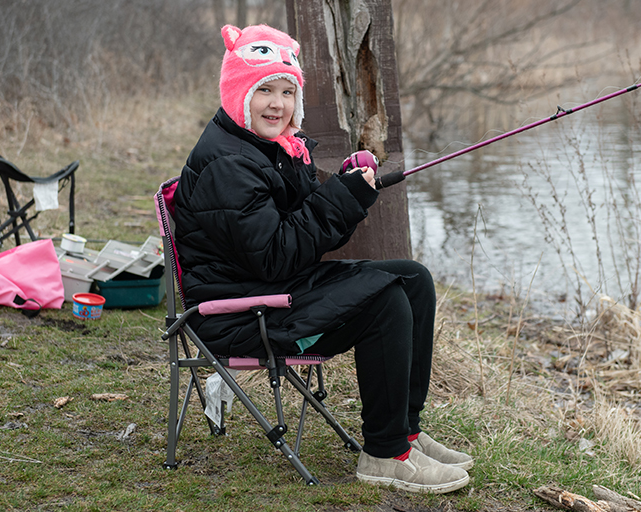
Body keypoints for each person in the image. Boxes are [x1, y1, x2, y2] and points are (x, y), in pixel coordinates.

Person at [172, 24, 474, 494]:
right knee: (385, 300)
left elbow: (302, 228)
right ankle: (384, 455)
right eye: (264, 90)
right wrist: (340, 199)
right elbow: (275, 255)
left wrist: (348, 186)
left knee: (413, 279)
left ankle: (405, 432)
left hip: (275, 288)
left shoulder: (265, 147)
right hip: (243, 312)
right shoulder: (229, 164)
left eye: (287, 91)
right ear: (238, 94)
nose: (277, 103)